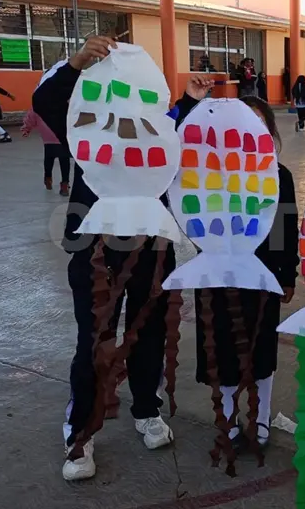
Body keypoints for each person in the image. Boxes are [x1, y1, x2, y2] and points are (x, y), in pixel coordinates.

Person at [32, 36, 202, 481]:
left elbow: (178, 136)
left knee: (149, 330)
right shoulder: (85, 127)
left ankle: (146, 409)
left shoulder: (157, 130)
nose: (130, 99)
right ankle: (80, 433)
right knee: (95, 336)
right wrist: (75, 64)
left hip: (152, 244)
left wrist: (188, 101)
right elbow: (45, 101)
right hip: (95, 247)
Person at [193, 95, 299, 452]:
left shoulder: (280, 176)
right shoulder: (207, 174)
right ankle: (228, 419)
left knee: (261, 349)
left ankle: (260, 418)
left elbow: (286, 229)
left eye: (257, 124)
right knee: (222, 349)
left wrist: (287, 274)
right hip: (218, 277)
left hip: (262, 277)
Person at [23, 106, 70, 196]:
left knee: (49, 157)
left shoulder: (39, 103)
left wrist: (26, 128)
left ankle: (48, 179)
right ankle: (65, 185)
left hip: (47, 136)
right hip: (62, 134)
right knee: (64, 160)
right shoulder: (64, 103)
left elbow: (31, 116)